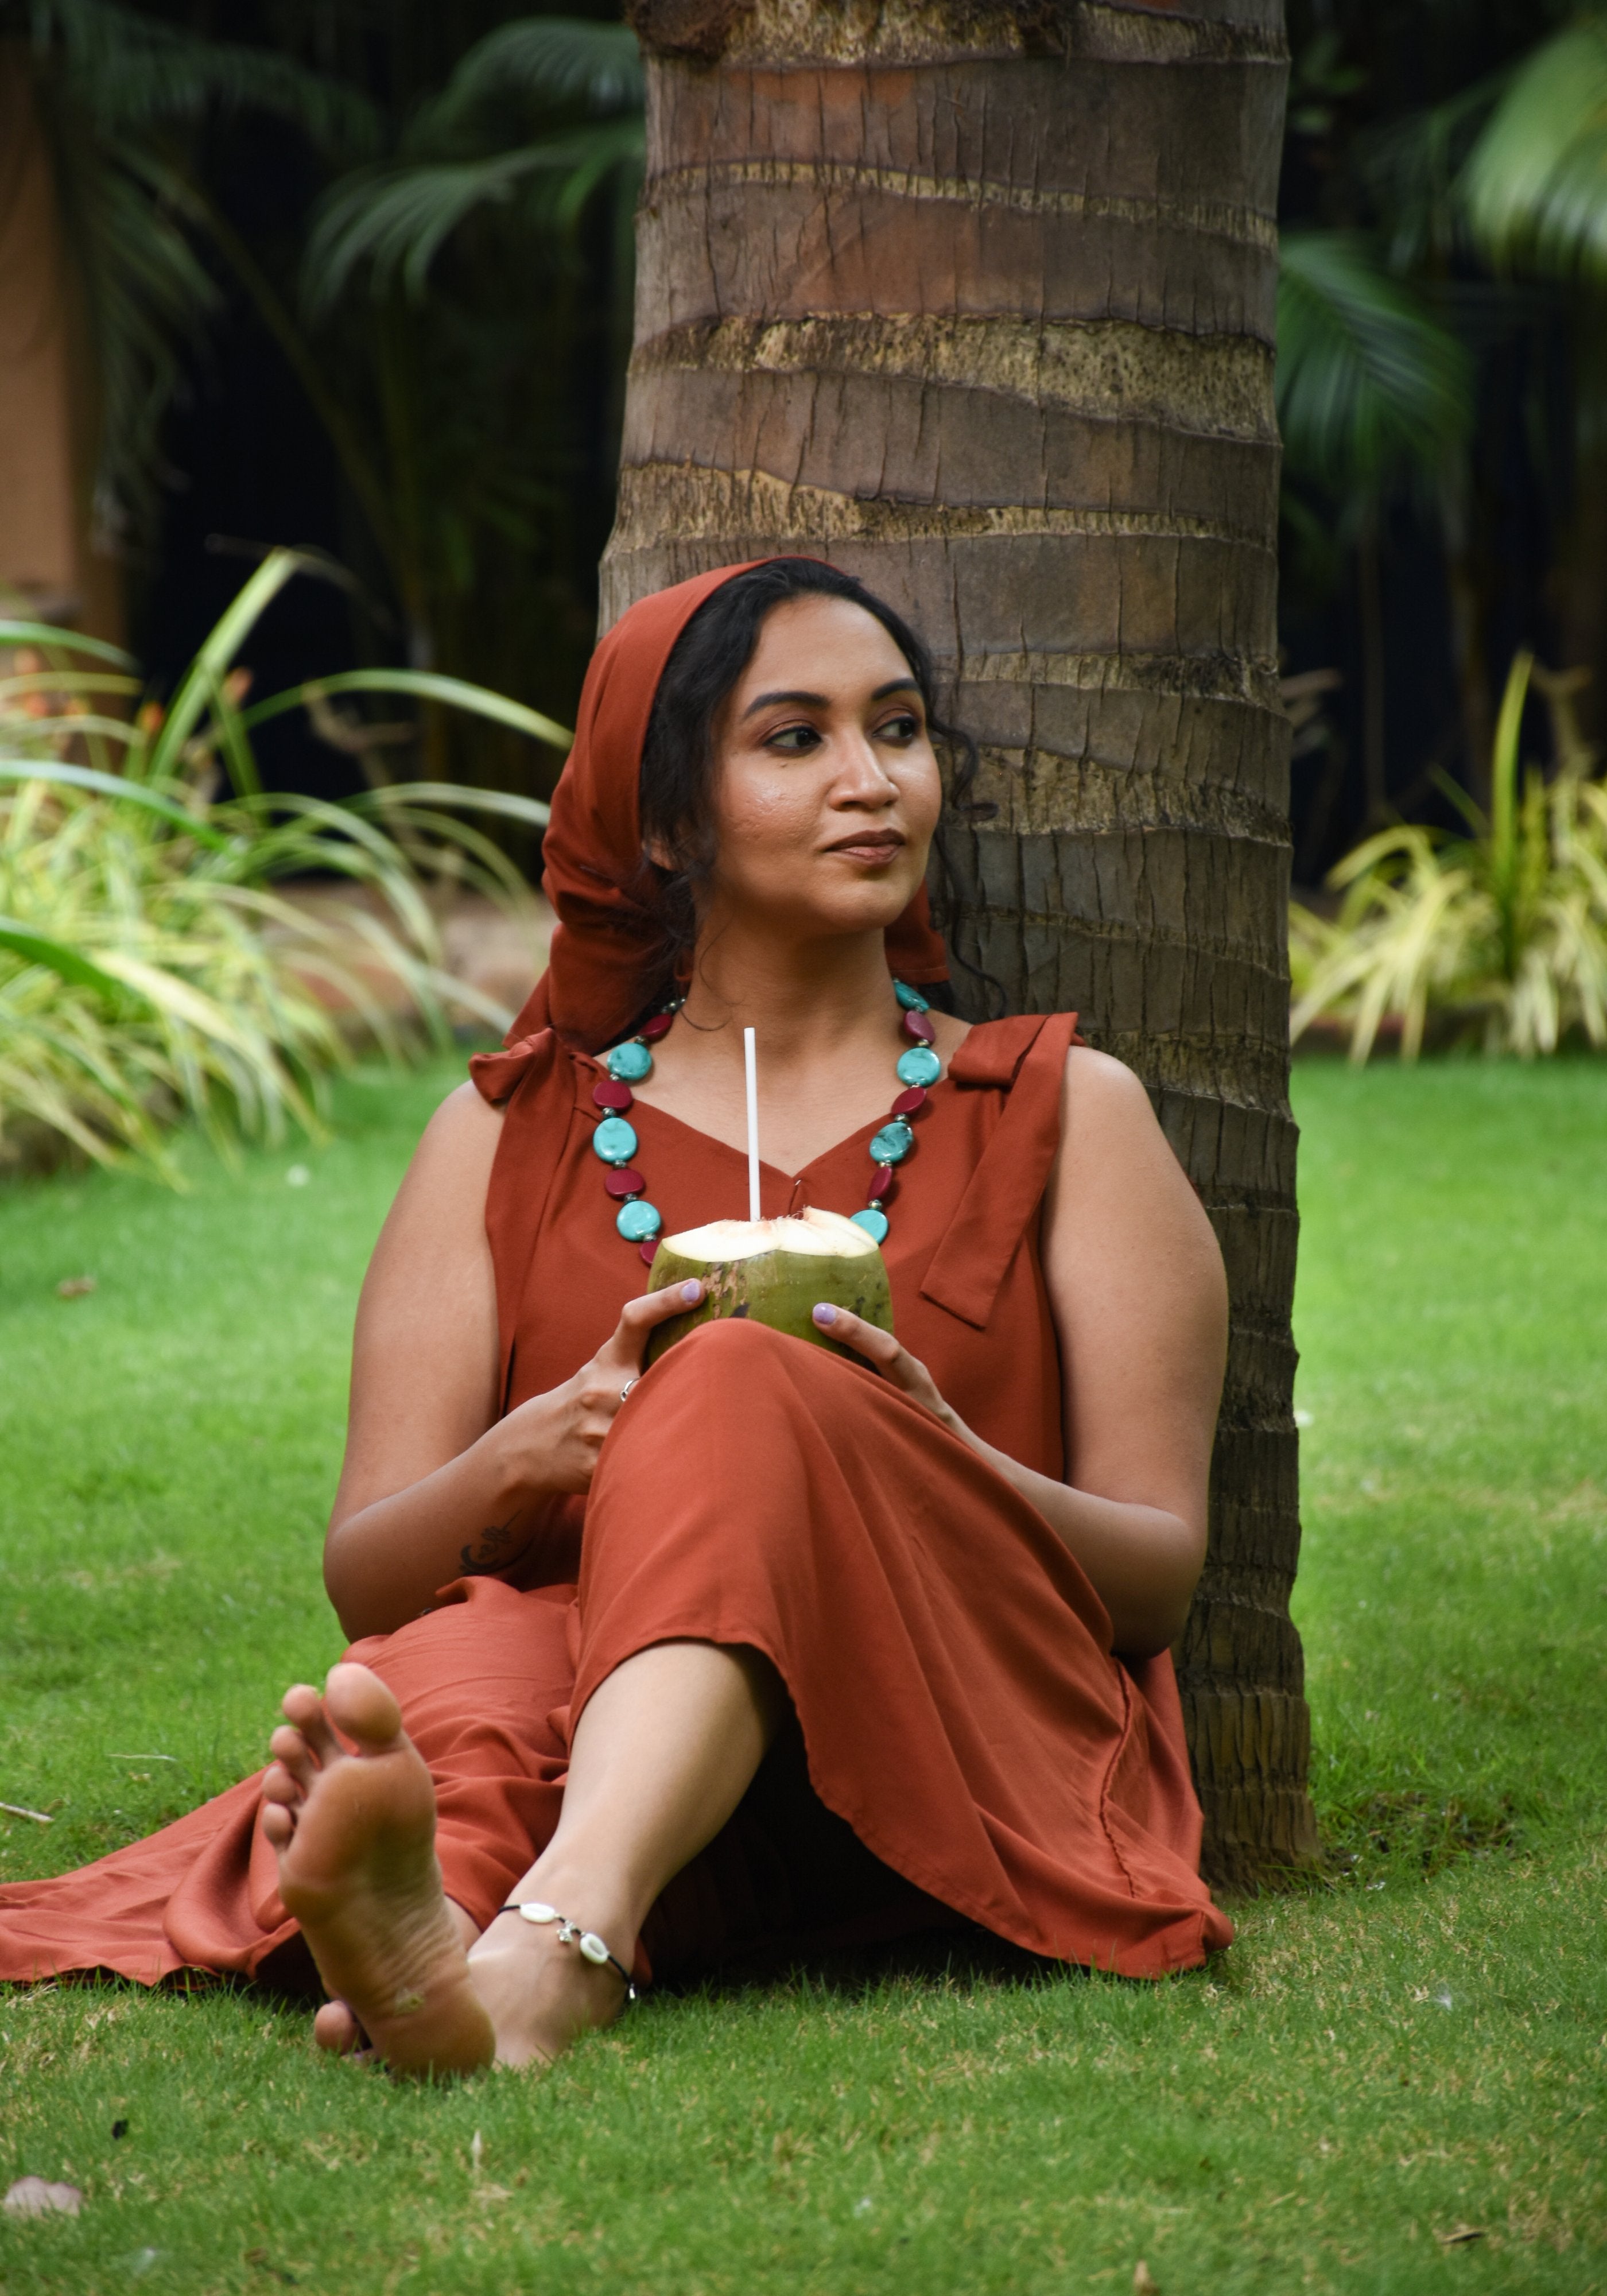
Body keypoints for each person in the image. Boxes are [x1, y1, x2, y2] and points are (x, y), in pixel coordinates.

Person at [0, 558, 1233, 2073]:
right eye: (796, 740)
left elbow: (1158, 1585)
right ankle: (432, 1939)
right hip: (596, 1736)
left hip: (942, 1739)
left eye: (898, 729)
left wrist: (920, 1450)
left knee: (732, 1383)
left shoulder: (1061, 1112)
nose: (872, 781)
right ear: (662, 823)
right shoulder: (513, 1137)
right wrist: (532, 1455)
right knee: (461, 1677)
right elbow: (368, 1573)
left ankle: (555, 1945)